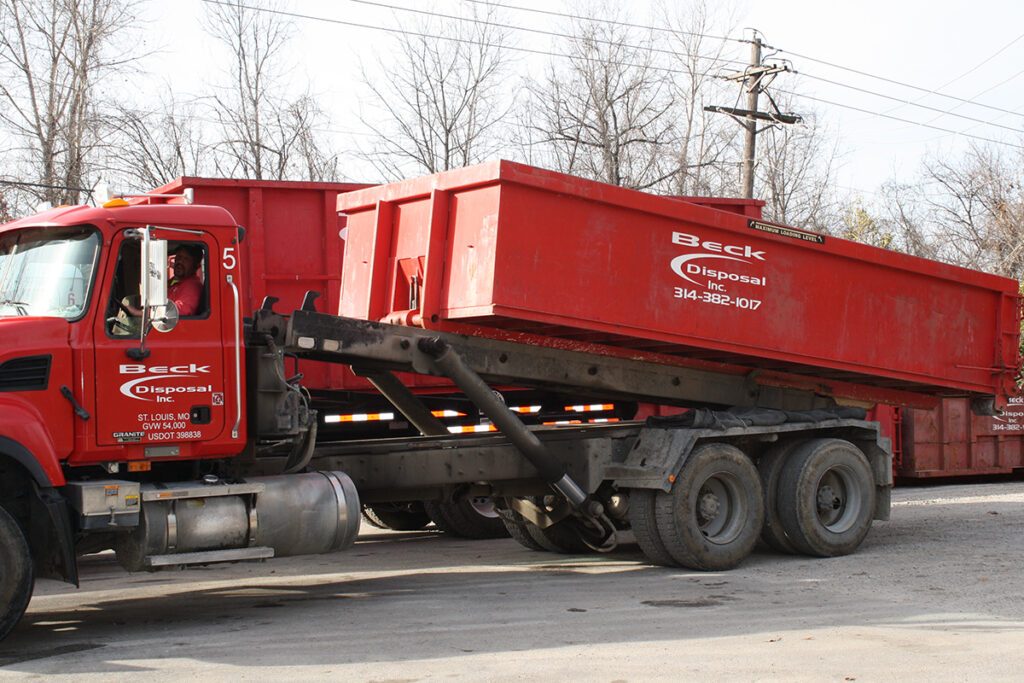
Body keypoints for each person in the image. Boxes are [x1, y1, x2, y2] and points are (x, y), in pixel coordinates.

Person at [168, 244, 203, 316]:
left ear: (196, 265)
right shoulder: (173, 283)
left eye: (186, 259)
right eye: (178, 257)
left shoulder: (192, 286)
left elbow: (182, 310)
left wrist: (147, 313)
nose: (180, 262)